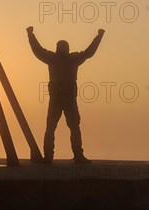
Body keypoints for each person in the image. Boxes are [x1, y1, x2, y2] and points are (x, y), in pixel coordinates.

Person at [26, 26, 105, 164]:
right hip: (59, 99)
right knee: (55, 128)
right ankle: (53, 157)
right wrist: (30, 35)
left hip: (66, 99)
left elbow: (89, 52)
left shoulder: (65, 58)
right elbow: (37, 51)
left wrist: (99, 36)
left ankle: (73, 156)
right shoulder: (61, 58)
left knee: (69, 127)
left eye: (63, 46)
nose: (62, 48)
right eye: (61, 46)